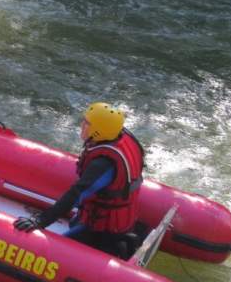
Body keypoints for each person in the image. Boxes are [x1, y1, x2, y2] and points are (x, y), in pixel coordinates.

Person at [14, 103, 145, 259]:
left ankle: (112, 250)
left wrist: (40, 221)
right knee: (77, 220)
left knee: (50, 255)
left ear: (99, 131)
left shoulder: (103, 164)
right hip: (115, 217)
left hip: (104, 230)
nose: (82, 125)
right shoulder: (119, 136)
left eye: (87, 123)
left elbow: (76, 194)